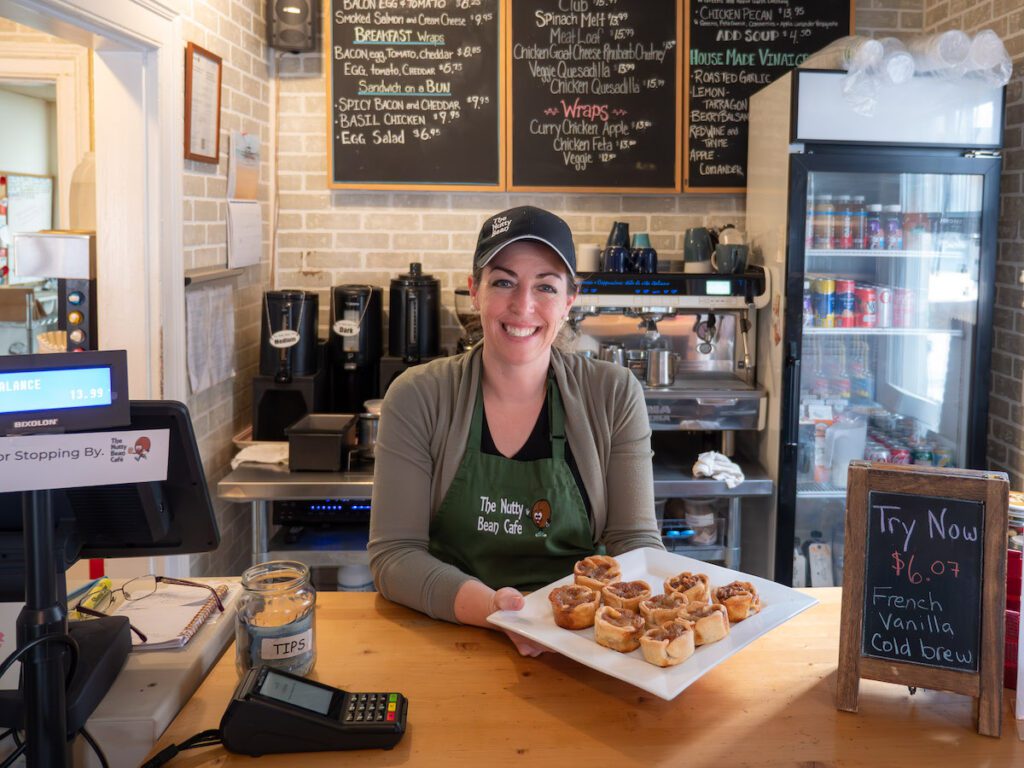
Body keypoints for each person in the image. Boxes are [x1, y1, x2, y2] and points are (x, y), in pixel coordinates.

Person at [368, 205, 663, 655]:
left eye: (545, 286)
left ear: (569, 301)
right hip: (449, 632)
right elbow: (395, 556)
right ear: (474, 291)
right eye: (503, 281)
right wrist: (495, 608)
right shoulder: (418, 396)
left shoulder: (614, 393)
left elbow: (636, 544)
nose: (522, 306)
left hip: (583, 643)